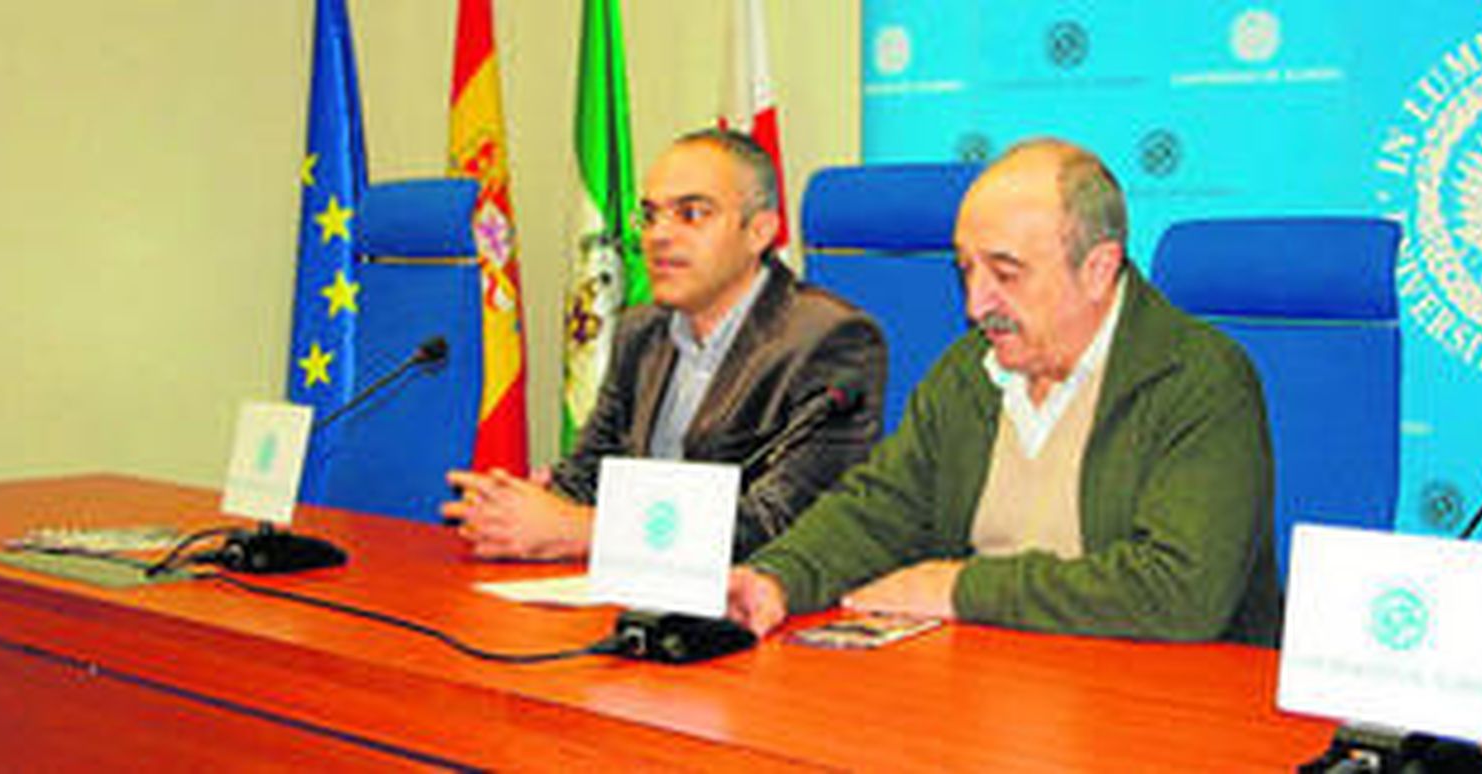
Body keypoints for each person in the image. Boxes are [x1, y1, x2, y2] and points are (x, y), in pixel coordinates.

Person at [728, 138, 1282, 644]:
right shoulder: (970, 371)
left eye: (1005, 273)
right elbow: (878, 510)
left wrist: (961, 590)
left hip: (1164, 701)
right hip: (992, 681)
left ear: (1097, 269)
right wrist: (777, 577)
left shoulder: (1198, 378)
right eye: (967, 270)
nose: (976, 305)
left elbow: (1180, 593)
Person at [442, 128, 886, 562]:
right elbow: (588, 475)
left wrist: (582, 530)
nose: (658, 236)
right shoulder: (641, 331)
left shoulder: (831, 341)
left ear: (760, 231)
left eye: (692, 214)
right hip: (631, 595)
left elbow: (779, 524)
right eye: (651, 215)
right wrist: (520, 504)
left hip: (747, 613)